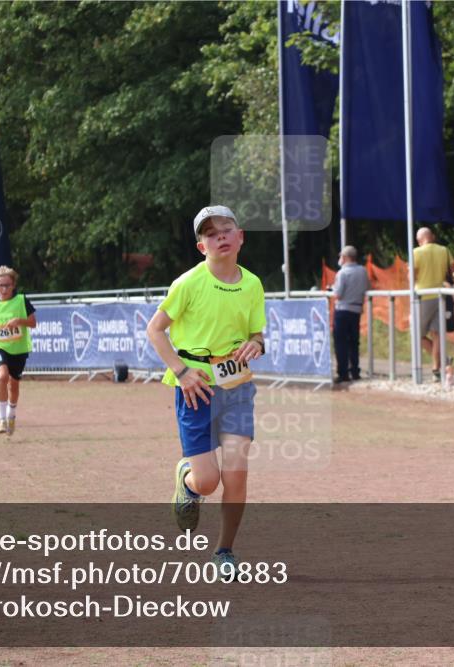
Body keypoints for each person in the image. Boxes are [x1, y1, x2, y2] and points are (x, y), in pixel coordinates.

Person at [146, 205, 265, 577]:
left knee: (237, 472)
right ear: (202, 247)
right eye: (212, 234)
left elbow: (256, 333)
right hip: (196, 388)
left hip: (237, 386)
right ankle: (187, 478)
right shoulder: (188, 283)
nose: (221, 237)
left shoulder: (253, 284)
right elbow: (155, 330)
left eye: (227, 229)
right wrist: (181, 373)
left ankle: (224, 550)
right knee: (209, 482)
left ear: (240, 236)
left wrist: (257, 343)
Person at [0, 266, 37, 436]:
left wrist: (19, 320)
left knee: (14, 385)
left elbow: (33, 323)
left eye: (7, 285)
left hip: (19, 349)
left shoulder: (21, 300)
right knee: (3, 376)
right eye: (0, 285)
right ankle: (1, 419)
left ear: (13, 285)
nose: (3, 289)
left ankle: (12, 415)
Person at [413, 227, 453, 380]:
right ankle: (437, 367)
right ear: (433, 237)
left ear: (419, 240)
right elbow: (450, 271)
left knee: (417, 334)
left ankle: (443, 362)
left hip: (423, 296)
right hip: (441, 295)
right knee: (437, 334)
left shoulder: (416, 252)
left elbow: (412, 276)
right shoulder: (444, 250)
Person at [331, 245, 370, 383]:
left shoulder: (342, 273)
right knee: (354, 342)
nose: (340, 259)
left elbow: (338, 294)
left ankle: (343, 373)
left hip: (342, 310)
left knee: (340, 342)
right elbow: (366, 287)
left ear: (346, 257)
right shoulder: (363, 271)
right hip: (356, 311)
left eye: (341, 256)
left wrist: (333, 289)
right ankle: (355, 371)